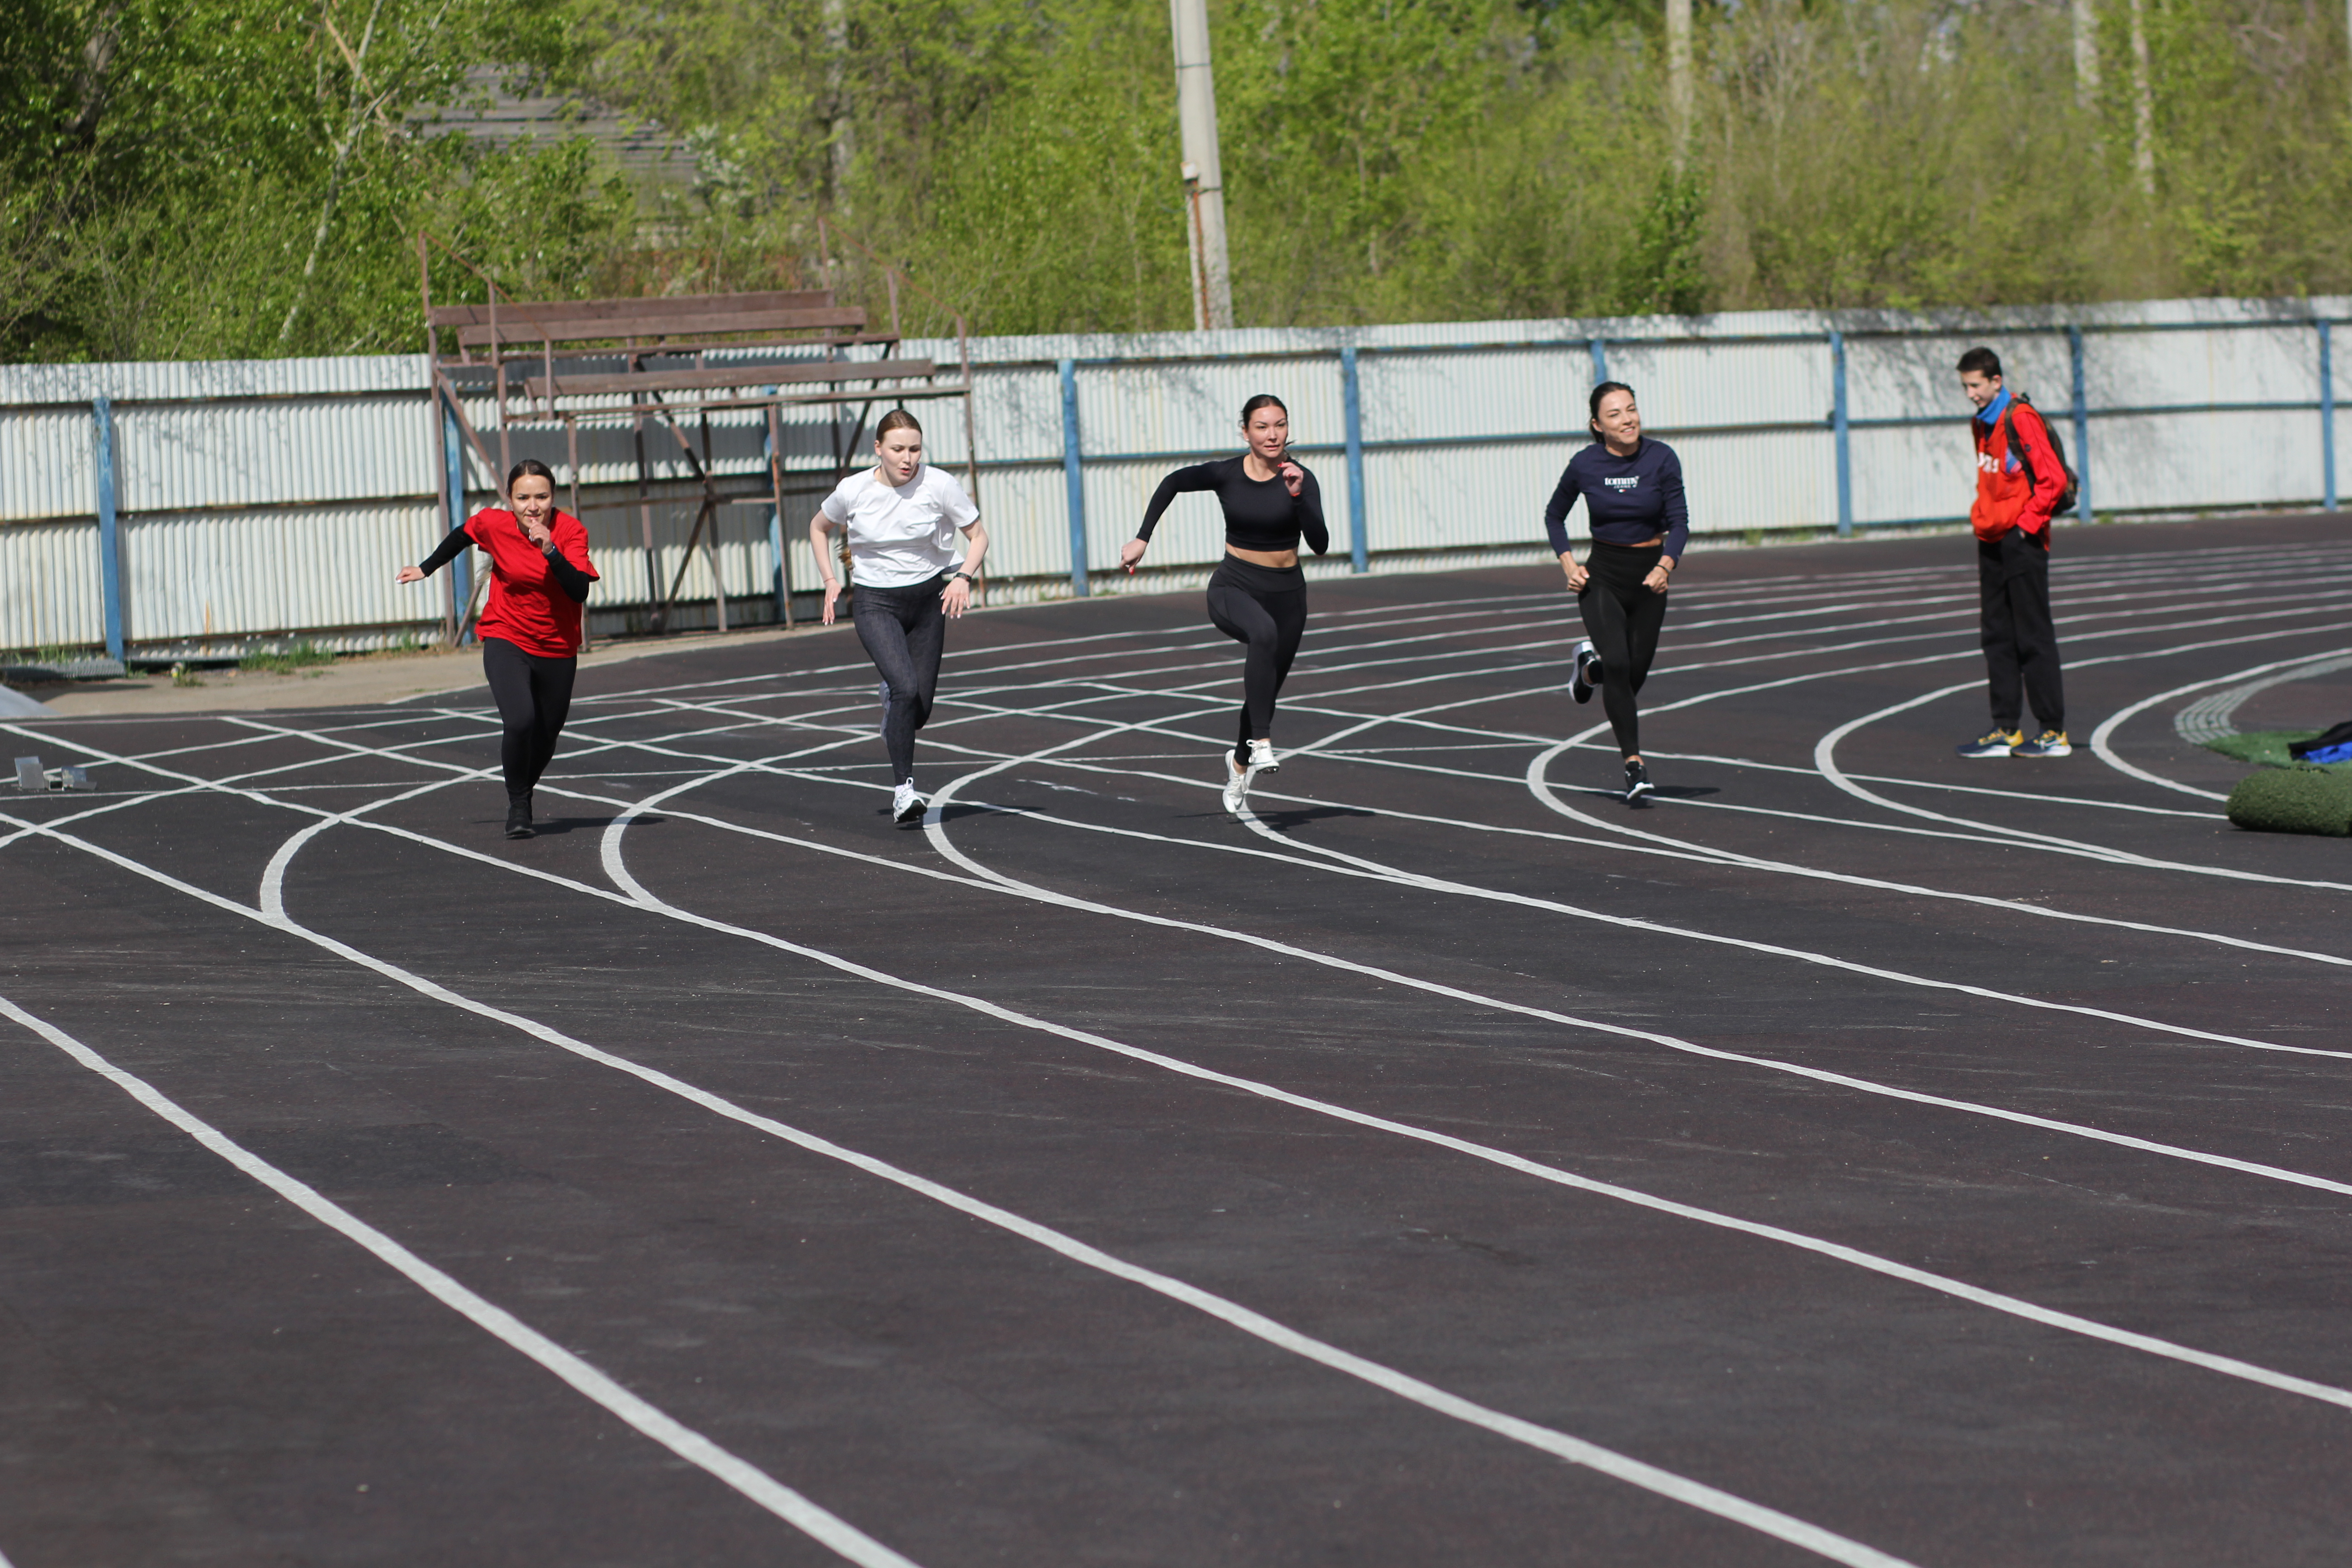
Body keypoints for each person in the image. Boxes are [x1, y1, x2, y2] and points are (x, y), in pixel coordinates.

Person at [1123, 393, 1328, 816]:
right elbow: (1173, 482)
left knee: (1265, 691)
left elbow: (1321, 544)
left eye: (1280, 425)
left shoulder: (1301, 477)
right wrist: (1143, 537)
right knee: (1263, 634)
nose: (1273, 435)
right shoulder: (1227, 474)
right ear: (1246, 431)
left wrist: (1297, 497)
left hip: (1289, 593)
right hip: (1234, 586)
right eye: (1262, 427)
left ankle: (1239, 764)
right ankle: (1265, 743)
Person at [398, 459, 598, 839]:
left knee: (547, 736)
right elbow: (463, 534)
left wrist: (551, 550)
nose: (532, 506)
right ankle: (519, 804)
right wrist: (425, 569)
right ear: (510, 499)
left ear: (553, 498)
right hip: (507, 636)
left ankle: (524, 788)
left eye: (541, 497)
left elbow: (579, 590)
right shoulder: (495, 523)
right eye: (523, 498)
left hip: (557, 646)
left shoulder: (571, 531)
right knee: (521, 720)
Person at [811, 410, 989, 826]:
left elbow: (978, 535)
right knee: (906, 688)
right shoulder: (853, 490)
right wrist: (829, 579)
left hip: (928, 602)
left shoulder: (940, 484)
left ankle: (894, 704)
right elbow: (818, 527)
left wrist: (963, 576)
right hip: (876, 604)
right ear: (879, 450)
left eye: (914, 449)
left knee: (919, 710)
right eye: (897, 450)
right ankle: (904, 792)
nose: (907, 458)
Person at [1543, 381, 1687, 803]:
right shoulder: (1585, 464)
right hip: (1602, 576)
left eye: (1632, 409)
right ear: (1597, 425)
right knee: (1620, 664)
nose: (1627, 419)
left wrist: (1666, 565)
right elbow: (1555, 516)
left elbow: (1679, 522)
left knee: (1631, 674)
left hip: (1650, 578)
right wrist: (1569, 564)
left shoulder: (1662, 457)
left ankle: (1589, 671)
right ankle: (1634, 766)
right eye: (1615, 414)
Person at [1954, 346, 2069, 758]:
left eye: (1975, 385)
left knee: (2033, 634)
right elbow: (1991, 480)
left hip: (2023, 539)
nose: (1970, 393)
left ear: (1996, 382)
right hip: (1991, 538)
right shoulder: (1980, 423)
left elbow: (2053, 480)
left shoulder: (2019, 417)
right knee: (1996, 635)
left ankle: (2053, 732)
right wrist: (1984, 517)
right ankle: (2006, 728)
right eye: (1965, 386)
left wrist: (2026, 524)